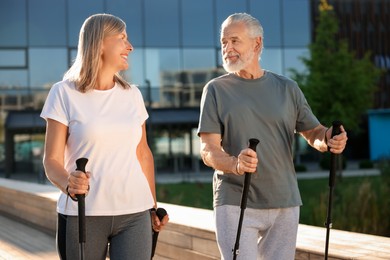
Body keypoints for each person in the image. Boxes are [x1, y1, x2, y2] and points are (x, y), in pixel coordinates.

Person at [198, 13, 348, 260]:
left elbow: (314, 132)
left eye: (235, 41)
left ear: (256, 44)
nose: (227, 48)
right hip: (235, 200)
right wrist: (235, 164)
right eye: (224, 42)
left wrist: (330, 138)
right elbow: (208, 149)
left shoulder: (287, 87)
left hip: (284, 200)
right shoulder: (215, 89)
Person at [41, 13, 168, 260]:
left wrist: (153, 207)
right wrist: (68, 183)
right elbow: (51, 161)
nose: (129, 46)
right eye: (122, 38)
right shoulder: (63, 93)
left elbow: (142, 153)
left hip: (135, 213)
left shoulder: (132, 95)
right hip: (83, 214)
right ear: (99, 42)